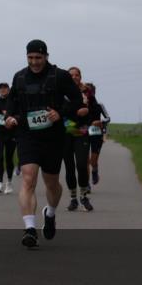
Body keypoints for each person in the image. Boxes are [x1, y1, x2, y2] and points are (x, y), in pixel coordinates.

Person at [4, 40, 84, 249]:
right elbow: (11, 103)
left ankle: (50, 212)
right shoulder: (20, 77)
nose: (34, 62)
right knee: (28, 178)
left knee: (52, 183)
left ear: (46, 56)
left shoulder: (60, 76)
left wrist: (61, 113)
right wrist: (10, 117)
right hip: (27, 135)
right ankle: (29, 229)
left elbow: (77, 101)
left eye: (38, 58)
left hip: (53, 137)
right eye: (30, 58)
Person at [62, 67, 97, 212]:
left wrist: (88, 111)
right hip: (65, 132)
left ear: (81, 77)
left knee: (82, 165)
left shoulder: (87, 92)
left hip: (82, 132)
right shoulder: (61, 92)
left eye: (77, 75)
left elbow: (95, 110)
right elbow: (58, 109)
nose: (74, 77)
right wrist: (75, 111)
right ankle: (73, 198)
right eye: (71, 75)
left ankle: (84, 196)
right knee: (69, 167)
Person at [86, 83, 110, 185]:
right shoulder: (80, 104)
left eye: (89, 91)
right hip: (83, 133)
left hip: (96, 133)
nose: (87, 93)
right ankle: (86, 184)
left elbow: (108, 118)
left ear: (94, 92)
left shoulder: (99, 105)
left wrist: (101, 122)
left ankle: (94, 170)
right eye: (85, 91)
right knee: (84, 161)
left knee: (93, 161)